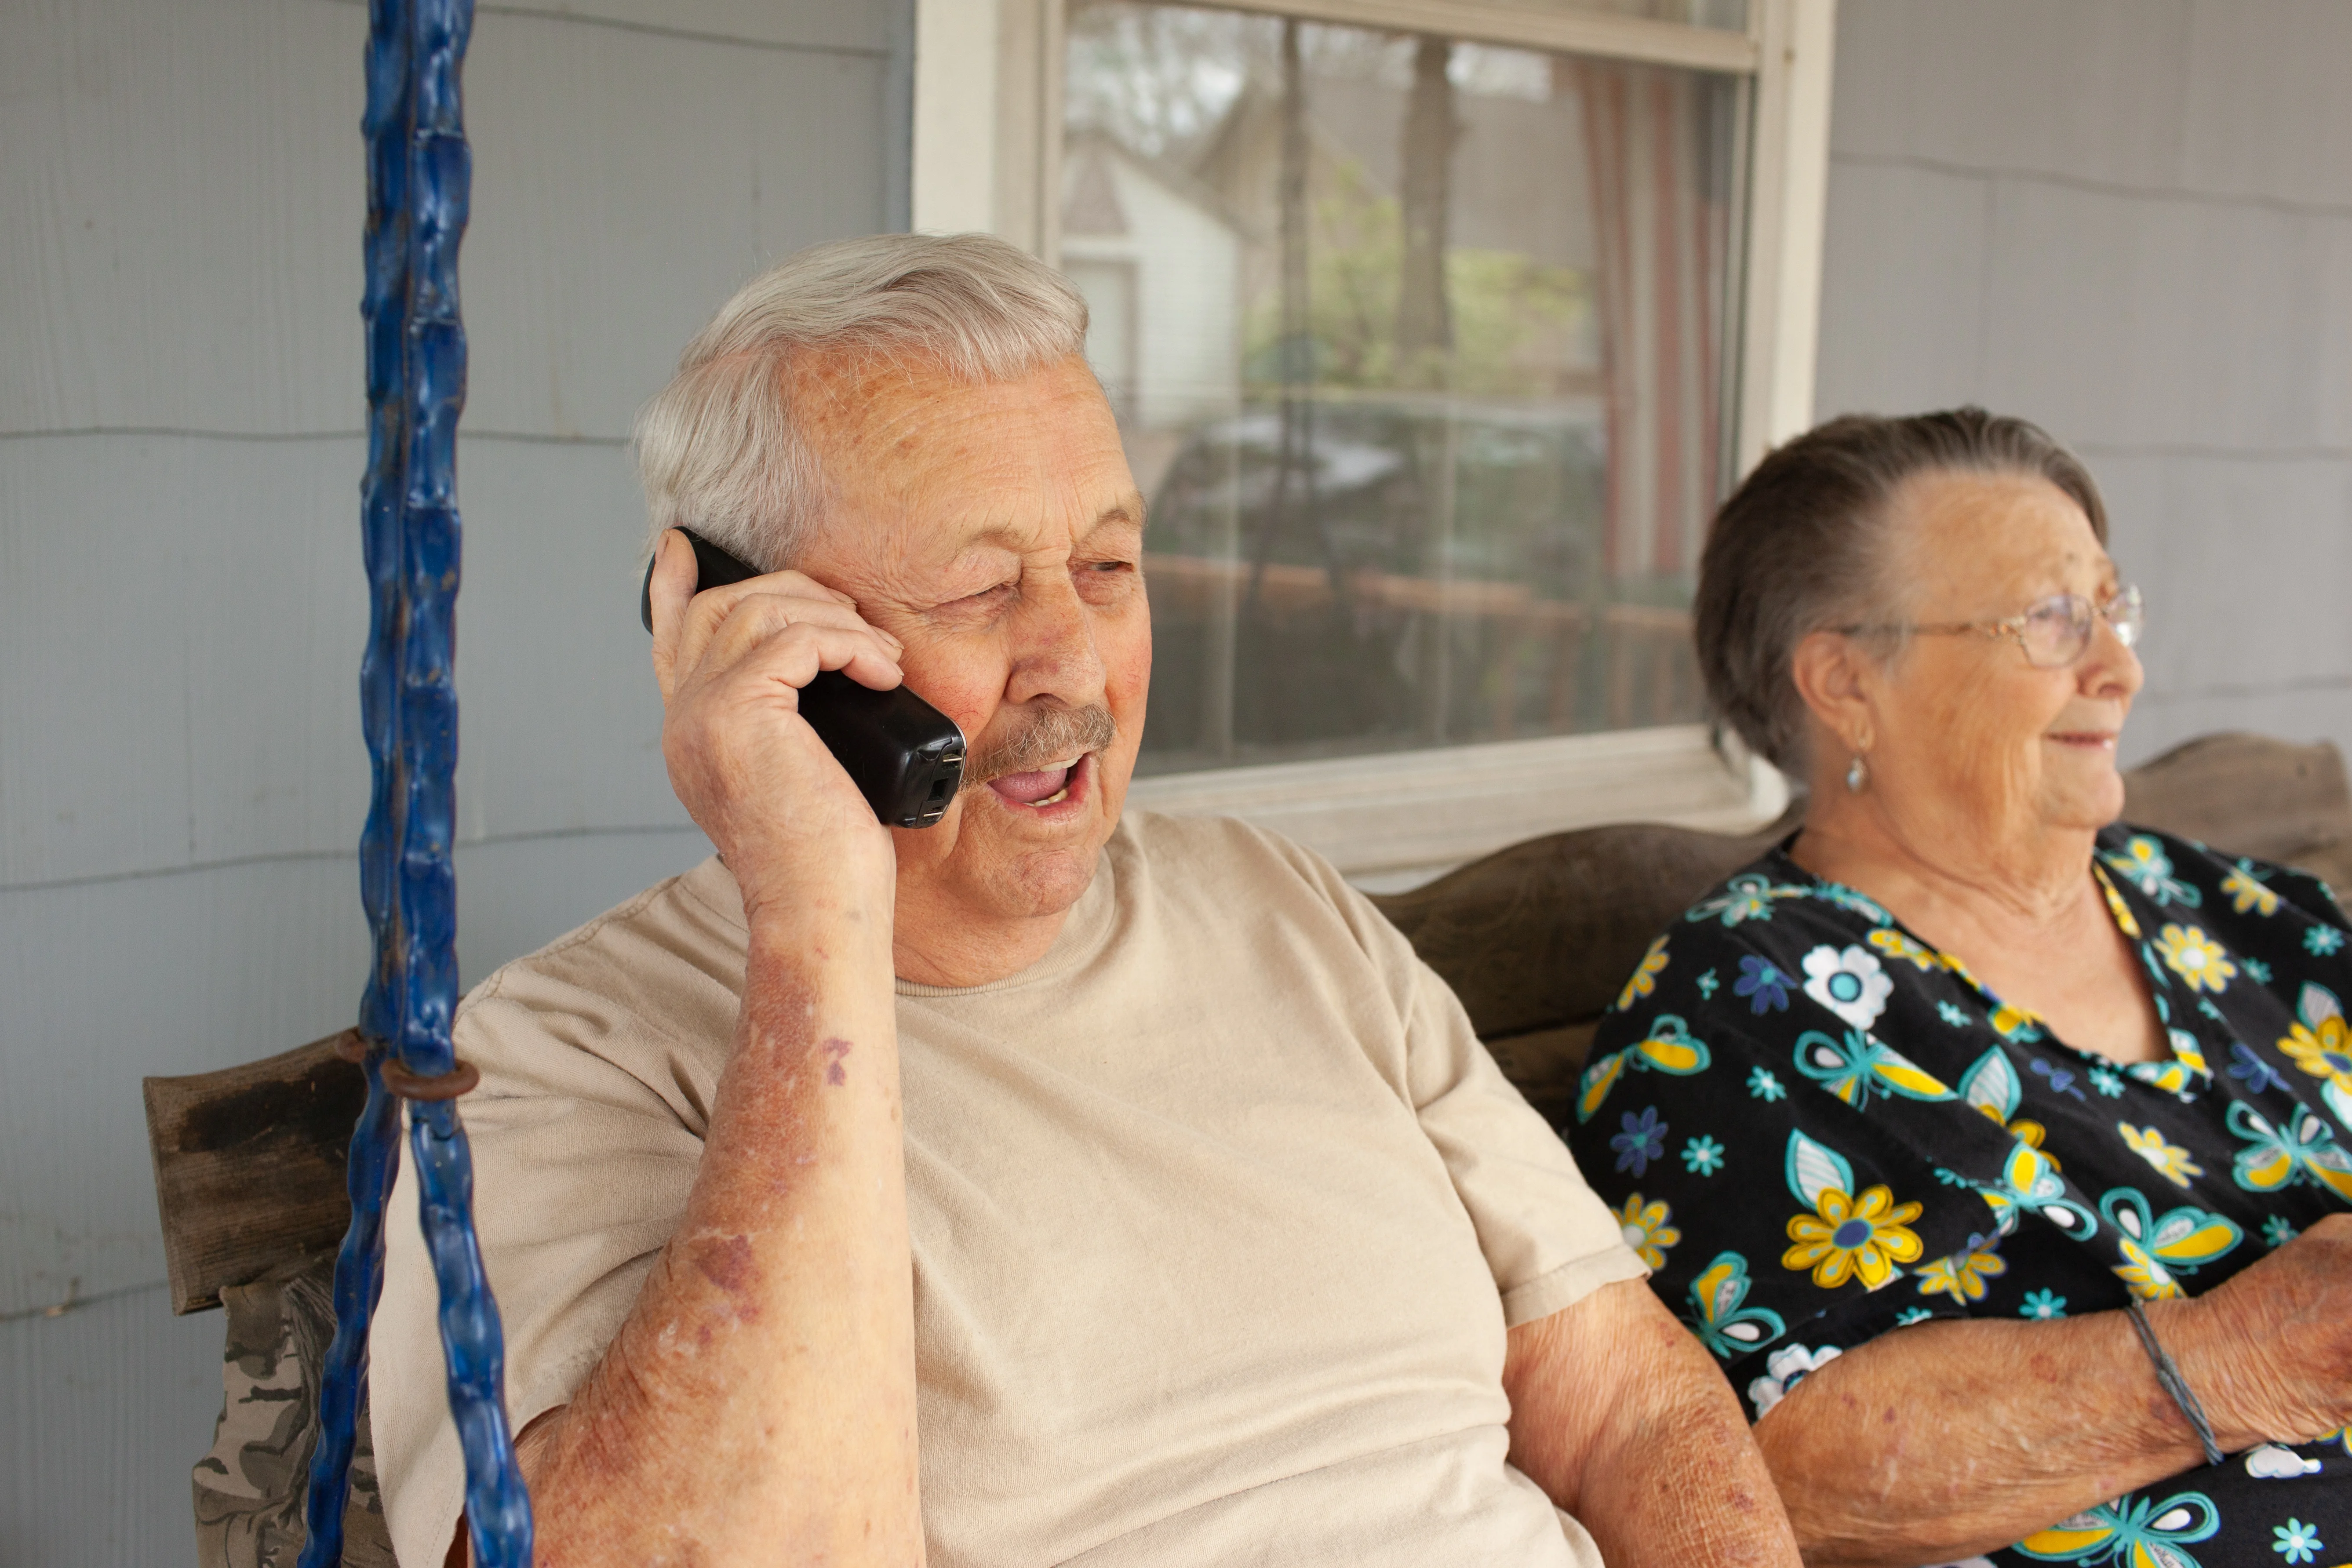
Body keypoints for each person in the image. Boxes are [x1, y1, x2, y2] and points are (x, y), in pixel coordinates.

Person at [368, 233, 1800, 1568]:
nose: (1073, 662)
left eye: (1107, 567)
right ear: (741, 630)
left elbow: (1625, 1403)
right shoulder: (568, 1057)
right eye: (980, 588)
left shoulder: (1278, 906)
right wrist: (817, 917)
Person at [1565, 408, 2352, 1568]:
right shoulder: (1733, 1010)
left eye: (2108, 605)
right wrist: (2249, 1354)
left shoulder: (2252, 920)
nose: (2119, 668)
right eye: (2049, 619)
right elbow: (1771, 1475)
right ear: (1846, 682)